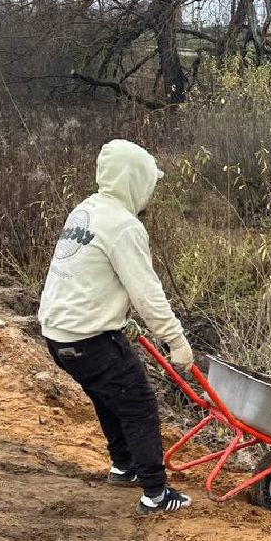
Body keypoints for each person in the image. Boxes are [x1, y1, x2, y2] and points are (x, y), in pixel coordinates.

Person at [38, 139, 194, 515]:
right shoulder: (124, 226)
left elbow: (89, 278)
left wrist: (120, 320)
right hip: (87, 337)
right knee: (138, 403)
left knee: (109, 396)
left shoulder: (87, 210)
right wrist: (176, 340)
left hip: (58, 335)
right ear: (134, 181)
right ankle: (155, 494)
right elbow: (147, 293)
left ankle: (123, 466)